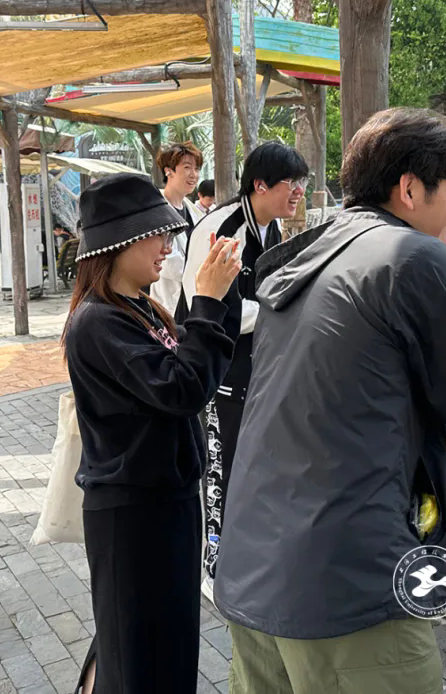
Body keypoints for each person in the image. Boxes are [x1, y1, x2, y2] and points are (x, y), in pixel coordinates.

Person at [213, 109, 446, 694]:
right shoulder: (412, 256)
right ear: (410, 189)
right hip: (348, 586)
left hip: (256, 567)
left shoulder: (311, 253)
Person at [63, 173, 242, 693]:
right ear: (117, 243)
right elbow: (183, 390)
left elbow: (199, 366)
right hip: (133, 510)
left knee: (158, 641)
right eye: (155, 235)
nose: (167, 245)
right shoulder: (99, 322)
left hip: (164, 498)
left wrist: (219, 296)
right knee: (137, 650)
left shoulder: (139, 308)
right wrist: (207, 302)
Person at [181, 140, 309, 593]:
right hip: (219, 372)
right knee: (221, 470)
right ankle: (216, 567)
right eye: (291, 183)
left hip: (257, 370)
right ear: (260, 185)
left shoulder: (270, 229)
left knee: (255, 467)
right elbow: (206, 303)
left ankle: (253, 558)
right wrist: (286, 311)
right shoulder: (223, 228)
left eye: (302, 182)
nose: (298, 191)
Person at [150, 142, 205, 321]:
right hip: (170, 302)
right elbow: (168, 263)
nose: (193, 174)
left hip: (193, 300)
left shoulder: (193, 211)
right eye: (187, 167)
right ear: (168, 171)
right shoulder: (156, 209)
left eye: (196, 168)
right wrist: (205, 273)